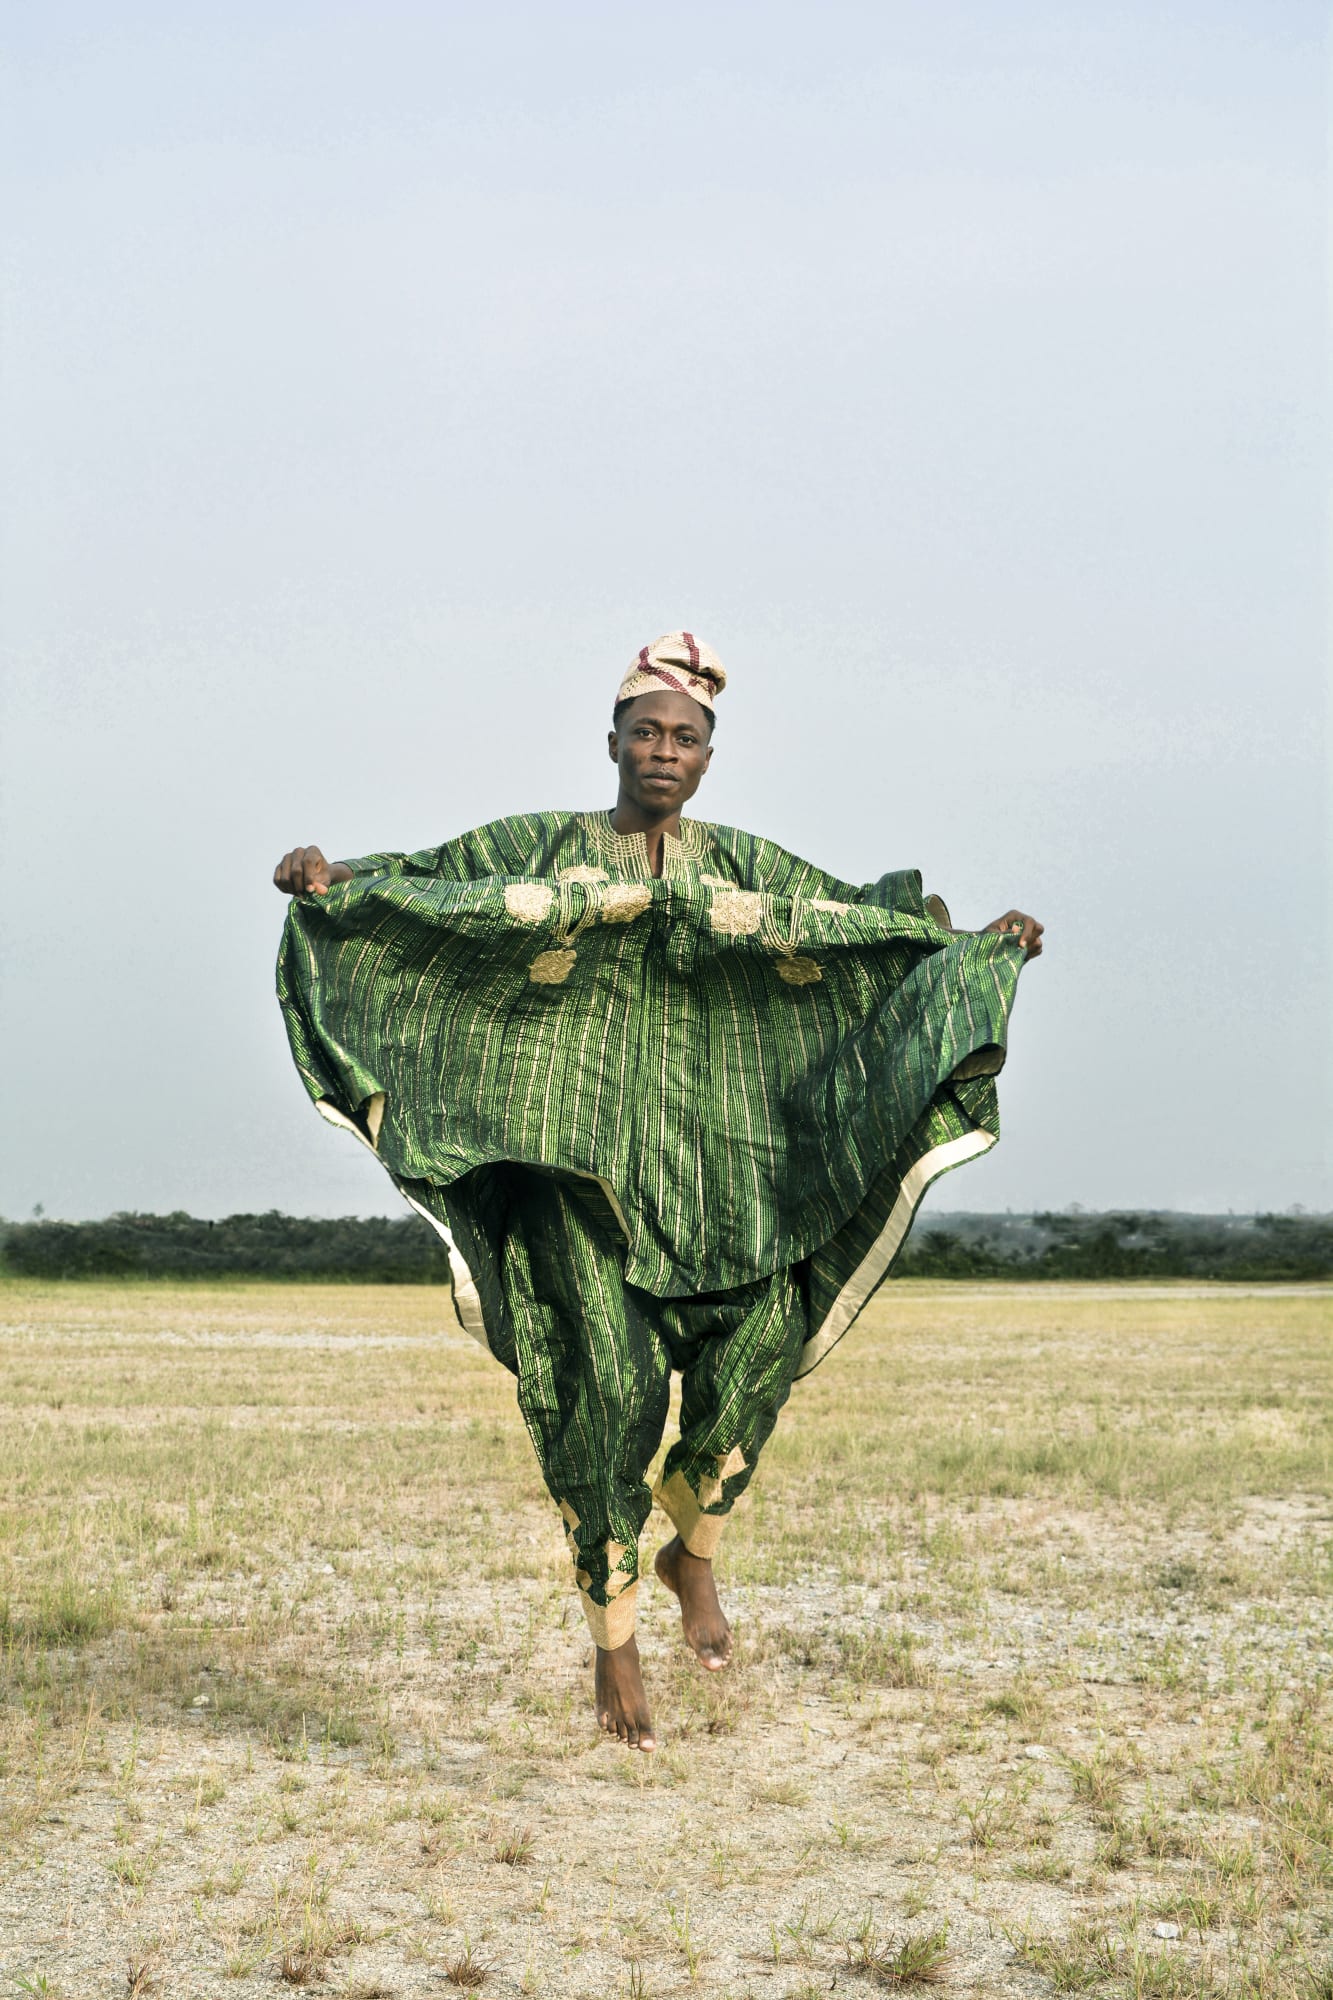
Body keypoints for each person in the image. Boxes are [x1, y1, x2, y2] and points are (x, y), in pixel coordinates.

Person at [273, 634, 1043, 1752]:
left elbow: (872, 932)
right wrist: (334, 880)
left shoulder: (747, 866)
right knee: (605, 1392)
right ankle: (614, 1634)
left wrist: (976, 949)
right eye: (646, 730)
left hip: (730, 1181)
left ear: (708, 753)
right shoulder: (543, 843)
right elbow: (430, 887)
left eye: (684, 735)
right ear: (614, 742)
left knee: (752, 1374)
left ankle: (694, 1556)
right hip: (576, 1180)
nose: (663, 749)